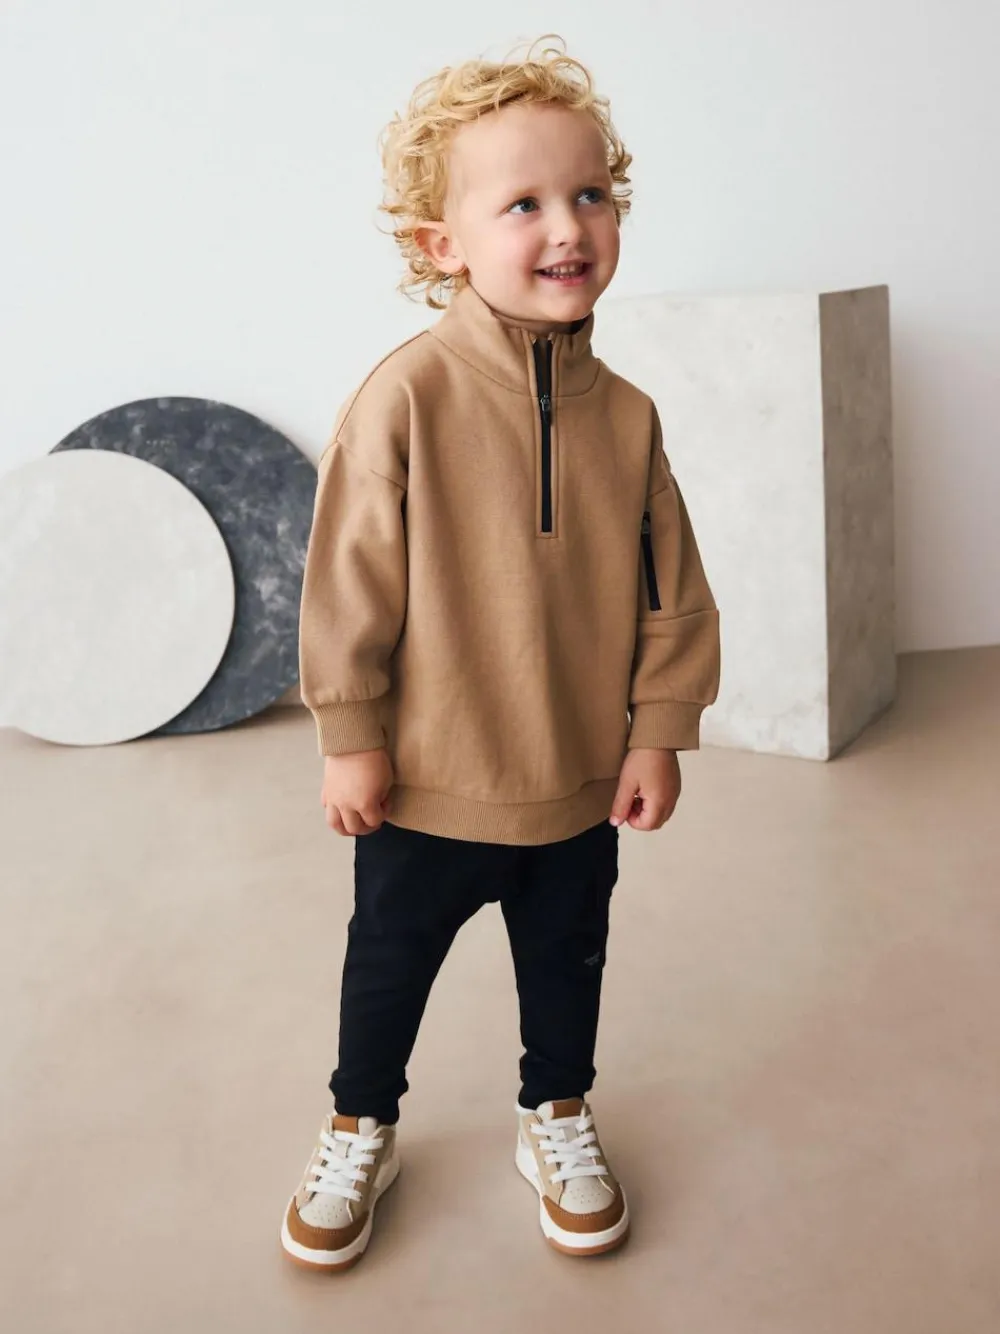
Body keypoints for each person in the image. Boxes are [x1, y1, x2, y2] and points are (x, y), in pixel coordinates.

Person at [280, 37, 720, 1272]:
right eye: (522, 203)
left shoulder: (627, 416)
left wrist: (657, 729)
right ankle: (360, 1122)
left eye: (589, 193)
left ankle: (556, 1108)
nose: (567, 225)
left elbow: (672, 590)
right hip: (429, 779)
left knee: (567, 965)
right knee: (388, 969)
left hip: (577, 774)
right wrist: (351, 735)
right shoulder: (406, 396)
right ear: (445, 245)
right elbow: (347, 582)